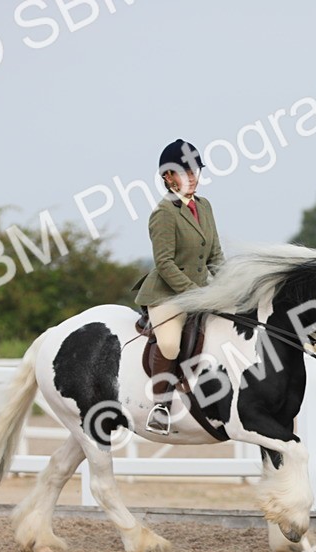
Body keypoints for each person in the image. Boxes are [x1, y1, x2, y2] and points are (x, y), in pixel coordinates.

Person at [133, 139, 225, 435]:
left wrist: (230, 286)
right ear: (168, 178)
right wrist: (194, 293)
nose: (193, 177)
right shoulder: (164, 213)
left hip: (200, 293)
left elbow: (215, 256)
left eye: (195, 170)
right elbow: (164, 263)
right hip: (166, 295)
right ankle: (160, 405)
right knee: (170, 343)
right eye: (185, 172)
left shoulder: (205, 207)